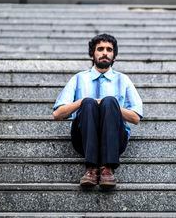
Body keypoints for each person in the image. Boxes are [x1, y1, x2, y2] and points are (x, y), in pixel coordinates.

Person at [52, 34, 143, 189]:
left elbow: (135, 118)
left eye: (109, 50)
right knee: (88, 102)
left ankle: (107, 168)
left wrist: (111, 106)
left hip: (116, 140)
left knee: (109, 101)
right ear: (92, 54)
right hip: (83, 140)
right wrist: (84, 101)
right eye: (100, 49)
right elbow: (57, 114)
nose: (105, 53)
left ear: (114, 55)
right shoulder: (79, 78)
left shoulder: (123, 79)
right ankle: (91, 168)